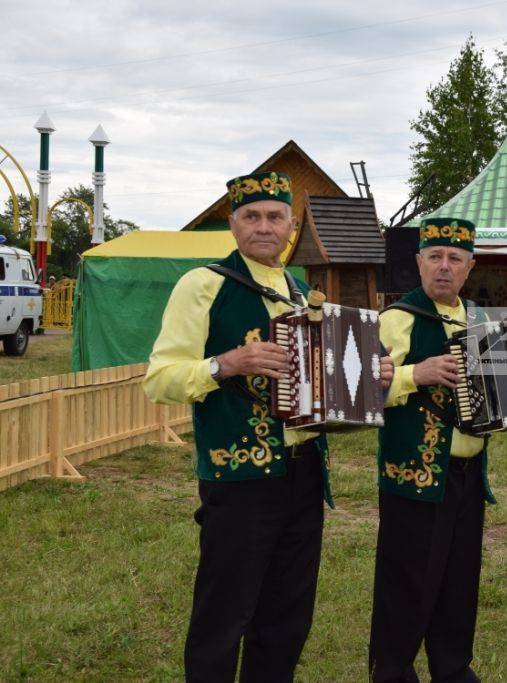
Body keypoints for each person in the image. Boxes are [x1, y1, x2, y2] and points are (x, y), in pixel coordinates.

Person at [144, 171, 392, 681]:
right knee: (224, 612)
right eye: (251, 216)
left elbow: (325, 386)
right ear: (232, 225)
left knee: (287, 614)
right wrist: (225, 363)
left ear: (292, 227)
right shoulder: (204, 285)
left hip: (303, 474)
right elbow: (161, 379)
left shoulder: (303, 292)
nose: (264, 227)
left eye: (275, 217)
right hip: (237, 479)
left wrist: (374, 375)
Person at [368, 217, 492, 683]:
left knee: (460, 577)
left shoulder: (482, 320)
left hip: (468, 469)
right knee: (407, 579)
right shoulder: (396, 319)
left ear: (469, 266)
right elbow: (362, 392)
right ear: (418, 262)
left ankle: (453, 666)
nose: (445, 267)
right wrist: (412, 375)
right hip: (412, 470)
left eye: (455, 259)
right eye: (435, 257)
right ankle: (393, 669)